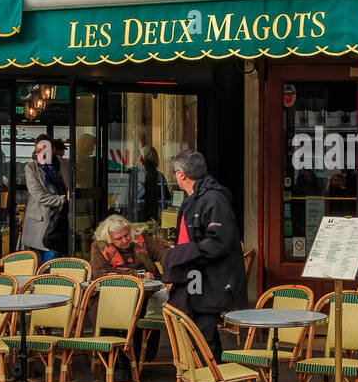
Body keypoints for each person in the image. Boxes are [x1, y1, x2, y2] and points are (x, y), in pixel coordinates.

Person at [163, 149, 244, 363]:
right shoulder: (195, 198)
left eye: (174, 173)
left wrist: (180, 255)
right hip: (197, 279)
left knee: (202, 336)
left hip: (212, 282)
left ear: (181, 174)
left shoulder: (214, 198)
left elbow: (219, 242)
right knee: (201, 335)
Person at [22, 134, 68, 262]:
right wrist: (63, 199)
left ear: (53, 150)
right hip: (39, 221)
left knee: (53, 262)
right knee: (38, 264)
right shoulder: (31, 167)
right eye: (38, 151)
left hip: (60, 220)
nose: (41, 154)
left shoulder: (65, 164)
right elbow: (38, 195)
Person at [89, 213, 172, 282]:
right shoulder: (99, 246)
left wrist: (170, 274)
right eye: (119, 238)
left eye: (126, 235)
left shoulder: (140, 238)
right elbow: (101, 273)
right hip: (112, 292)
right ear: (109, 238)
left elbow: (163, 252)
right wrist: (139, 275)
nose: (125, 240)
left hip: (148, 289)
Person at [132, 146, 170, 224]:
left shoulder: (134, 174)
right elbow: (166, 199)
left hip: (135, 214)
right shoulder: (159, 176)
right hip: (153, 215)